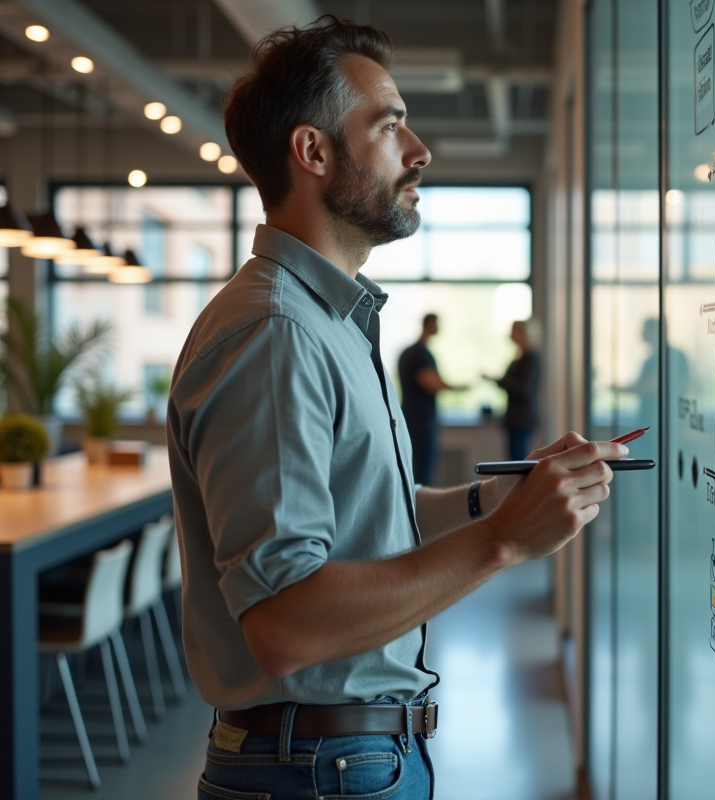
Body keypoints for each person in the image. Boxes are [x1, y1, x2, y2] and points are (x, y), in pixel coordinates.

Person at [166, 18, 625, 800]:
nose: (420, 151)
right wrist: (503, 542)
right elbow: (284, 625)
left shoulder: (326, 321)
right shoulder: (276, 332)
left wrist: (489, 501)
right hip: (318, 770)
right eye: (389, 126)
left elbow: (366, 516)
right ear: (313, 152)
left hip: (339, 760)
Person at [398, 312, 462, 485]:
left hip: (417, 418)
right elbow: (432, 384)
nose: (439, 327)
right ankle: (419, 503)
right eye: (437, 323)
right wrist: (459, 388)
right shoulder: (417, 354)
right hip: (419, 421)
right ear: (430, 324)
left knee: (421, 468)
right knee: (422, 471)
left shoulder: (415, 352)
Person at [491, 319, 542, 460]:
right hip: (514, 419)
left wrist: (503, 381)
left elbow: (525, 389)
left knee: (518, 460)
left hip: (523, 419)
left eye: (515, 332)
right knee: (513, 459)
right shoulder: (518, 359)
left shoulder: (531, 359)